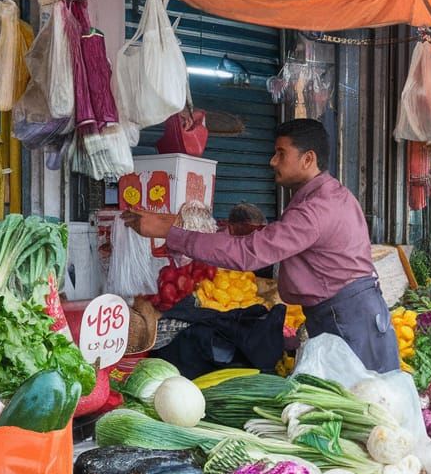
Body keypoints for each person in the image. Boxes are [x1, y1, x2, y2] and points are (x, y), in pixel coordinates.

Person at [122, 119, 399, 372]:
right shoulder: (327, 195)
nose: (272, 161)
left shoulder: (316, 208)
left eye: (281, 153)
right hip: (348, 314)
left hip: (347, 320)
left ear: (308, 159)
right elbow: (266, 238)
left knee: (365, 405)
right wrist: (189, 225)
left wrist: (170, 233)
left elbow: (249, 253)